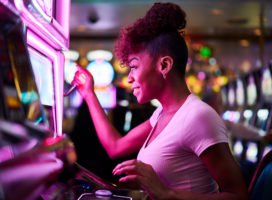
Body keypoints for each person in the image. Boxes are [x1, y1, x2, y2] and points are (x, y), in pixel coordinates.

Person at [72, 2, 248, 199]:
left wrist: (167, 193)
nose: (129, 78)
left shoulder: (198, 116)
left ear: (164, 65)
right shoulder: (161, 114)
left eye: (134, 66)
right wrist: (88, 92)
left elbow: (238, 195)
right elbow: (116, 147)